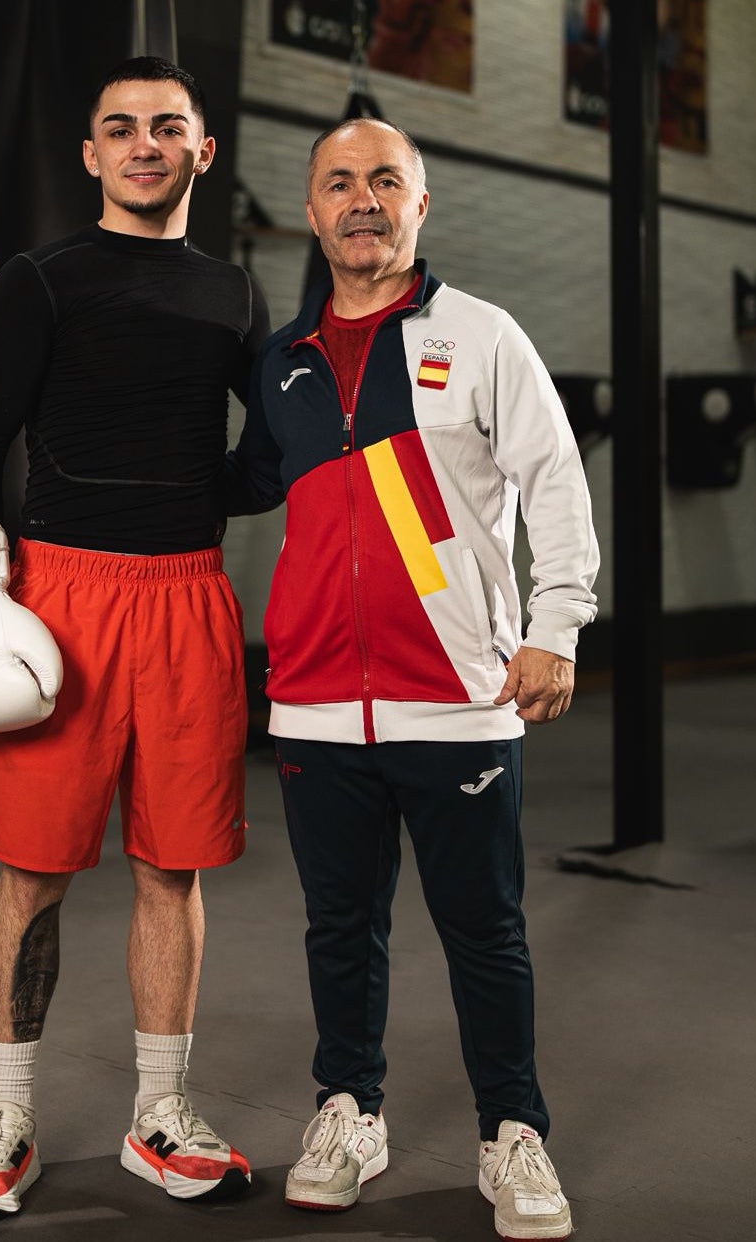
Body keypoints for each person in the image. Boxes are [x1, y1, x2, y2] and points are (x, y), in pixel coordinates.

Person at [226, 118, 598, 1240]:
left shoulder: (479, 337)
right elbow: (237, 483)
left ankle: (513, 1133)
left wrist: (558, 625)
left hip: (459, 698)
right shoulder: (283, 364)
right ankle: (349, 1108)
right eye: (339, 183)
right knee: (340, 926)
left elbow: (557, 484)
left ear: (419, 206)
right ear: (313, 212)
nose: (363, 199)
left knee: (483, 927)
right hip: (316, 707)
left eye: (386, 180)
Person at [0, 56, 268, 1216]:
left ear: (200, 151)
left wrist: (207, 485)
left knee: (170, 866)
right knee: (32, 866)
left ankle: (158, 1117)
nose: (141, 144)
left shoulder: (231, 294)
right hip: (59, 598)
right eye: (118, 128)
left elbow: (266, 450)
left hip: (187, 596)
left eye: (165, 128)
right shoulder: (43, 278)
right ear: (89, 155)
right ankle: (5, 1115)